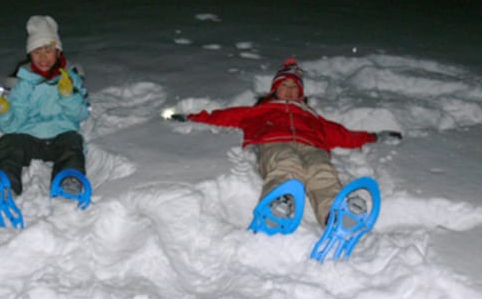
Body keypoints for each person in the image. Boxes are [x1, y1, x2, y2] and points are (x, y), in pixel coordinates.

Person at [169, 58, 401, 228]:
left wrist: (373, 137)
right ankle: (279, 204)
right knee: (286, 166)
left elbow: (342, 134)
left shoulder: (311, 116)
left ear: (301, 94)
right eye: (285, 86)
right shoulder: (260, 110)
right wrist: (191, 117)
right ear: (274, 90)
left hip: (313, 147)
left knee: (323, 172)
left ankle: (335, 215)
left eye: (294, 88)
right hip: (274, 143)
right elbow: (225, 116)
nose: (289, 91)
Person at [0, 15, 91, 225]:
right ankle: (1, 181)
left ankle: (68, 180)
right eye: (37, 51)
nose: (43, 57)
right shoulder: (24, 82)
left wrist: (68, 96)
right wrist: (3, 112)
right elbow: (13, 125)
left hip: (61, 134)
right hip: (29, 136)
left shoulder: (70, 78)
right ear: (30, 54)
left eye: (48, 50)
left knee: (73, 144)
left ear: (58, 51)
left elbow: (80, 115)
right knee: (8, 143)